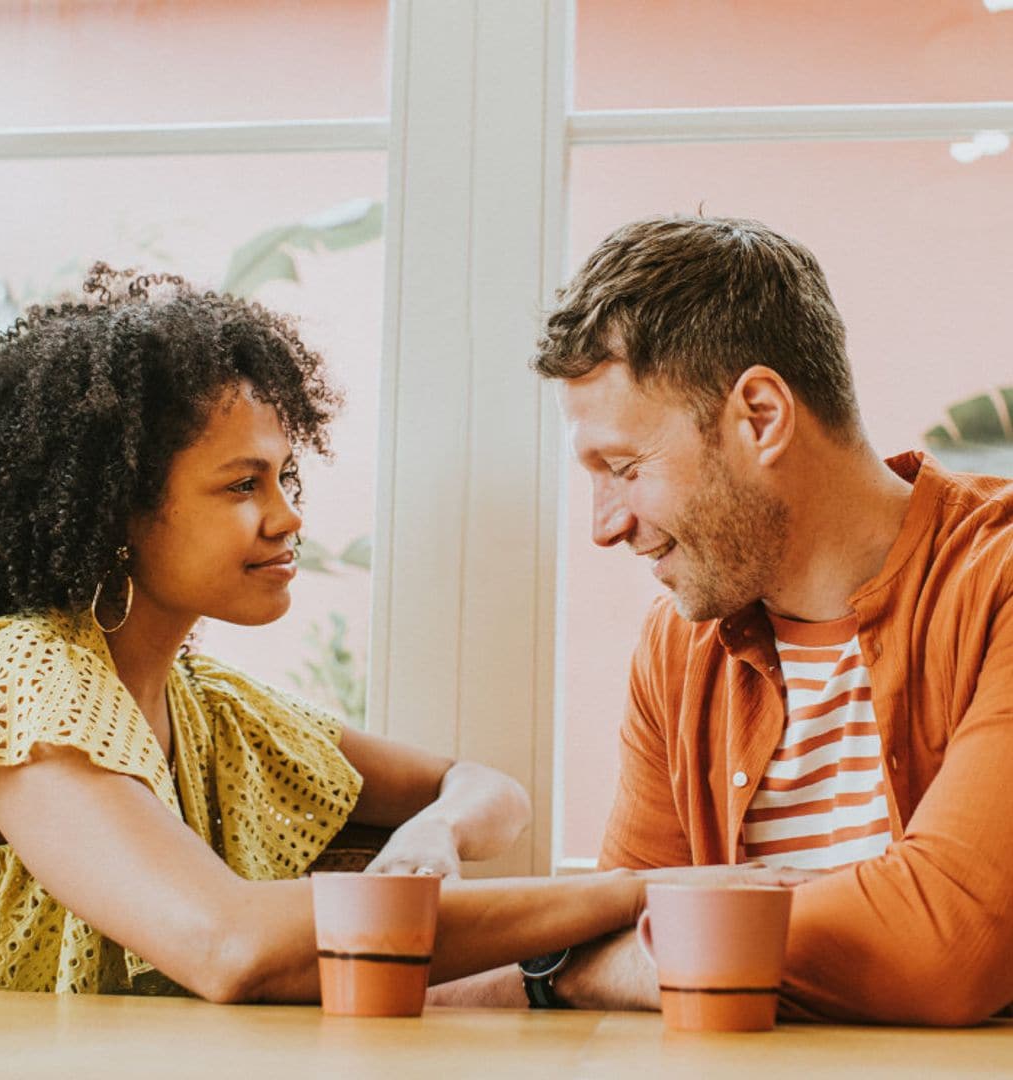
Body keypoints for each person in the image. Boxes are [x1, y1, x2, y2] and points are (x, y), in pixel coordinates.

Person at [0, 265, 658, 999]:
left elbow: (483, 788)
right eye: (243, 485)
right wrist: (638, 896)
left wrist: (439, 831)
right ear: (118, 511)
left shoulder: (212, 711)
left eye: (284, 476)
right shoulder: (21, 678)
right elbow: (231, 945)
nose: (289, 517)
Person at [432, 215, 1013, 1025]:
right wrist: (597, 959)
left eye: (626, 468)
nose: (605, 525)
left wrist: (567, 970)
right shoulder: (680, 644)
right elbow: (611, 933)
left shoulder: (999, 583)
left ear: (763, 417)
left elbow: (942, 946)